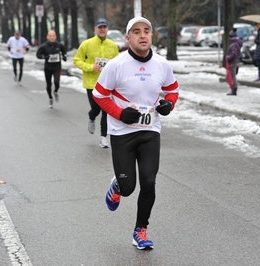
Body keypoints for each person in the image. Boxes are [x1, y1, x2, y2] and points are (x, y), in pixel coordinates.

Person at [92, 16, 179, 250]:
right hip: (122, 133)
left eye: (147, 31)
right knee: (129, 187)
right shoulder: (116, 65)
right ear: (128, 38)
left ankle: (141, 230)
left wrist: (168, 105)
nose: (143, 35)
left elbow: (172, 90)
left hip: (150, 130)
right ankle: (118, 185)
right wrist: (119, 113)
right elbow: (99, 95)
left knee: (149, 182)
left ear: (152, 36)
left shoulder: (162, 64)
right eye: (137, 32)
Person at [73, 18, 119, 148]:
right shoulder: (87, 44)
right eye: (100, 27)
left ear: (107, 29)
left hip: (108, 85)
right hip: (92, 84)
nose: (102, 29)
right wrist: (90, 67)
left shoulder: (113, 45)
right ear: (95, 29)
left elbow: (118, 64)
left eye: (104, 27)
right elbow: (76, 60)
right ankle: (91, 116)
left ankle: (103, 137)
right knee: (96, 109)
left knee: (106, 111)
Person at [36, 30, 67, 108]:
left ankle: (55, 91)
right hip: (48, 68)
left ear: (55, 36)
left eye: (53, 36)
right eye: (50, 36)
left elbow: (64, 52)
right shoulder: (44, 46)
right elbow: (38, 55)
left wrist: (64, 57)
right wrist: (45, 57)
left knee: (57, 82)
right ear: (47, 37)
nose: (52, 37)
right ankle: (50, 97)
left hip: (57, 67)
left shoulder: (59, 45)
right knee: (48, 84)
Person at [225, 29, 242, 96]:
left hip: (233, 62)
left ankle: (234, 89)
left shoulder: (233, 44)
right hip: (235, 61)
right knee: (233, 76)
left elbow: (234, 53)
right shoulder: (237, 43)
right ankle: (233, 89)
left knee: (232, 76)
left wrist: (228, 57)